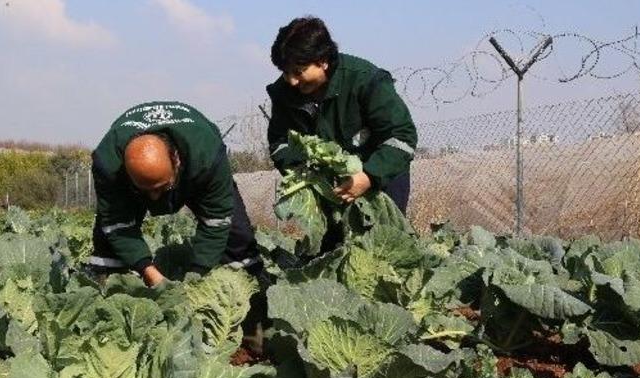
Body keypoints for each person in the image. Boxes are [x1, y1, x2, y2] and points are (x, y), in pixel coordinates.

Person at [267, 16, 418, 252]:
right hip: (327, 191)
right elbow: (279, 143)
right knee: (332, 254)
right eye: (286, 72)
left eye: (299, 71)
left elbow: (402, 136)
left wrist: (368, 176)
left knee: (383, 250)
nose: (292, 80)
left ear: (323, 61)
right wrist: (303, 172)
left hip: (380, 181)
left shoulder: (364, 80)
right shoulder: (284, 94)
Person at [90, 101, 262, 287]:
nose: (154, 197)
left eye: (161, 187)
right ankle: (107, 290)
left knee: (238, 238)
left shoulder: (207, 155)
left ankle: (257, 300)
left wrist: (195, 278)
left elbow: (217, 220)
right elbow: (118, 226)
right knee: (107, 241)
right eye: (146, 189)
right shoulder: (108, 164)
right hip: (130, 185)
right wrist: (150, 273)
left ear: (177, 160)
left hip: (194, 172)